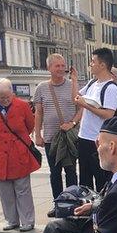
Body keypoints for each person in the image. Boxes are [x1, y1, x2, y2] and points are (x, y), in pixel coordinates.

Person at [0, 79, 39, 232]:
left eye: (7, 96)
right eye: (1, 97)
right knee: (4, 191)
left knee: (22, 189)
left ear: (12, 93)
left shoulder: (23, 106)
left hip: (19, 152)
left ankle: (28, 221)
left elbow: (29, 126)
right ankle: (11, 220)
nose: (5, 100)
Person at [72, 47, 117, 189]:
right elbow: (76, 99)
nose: (91, 64)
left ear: (102, 65)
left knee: (101, 179)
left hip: (98, 140)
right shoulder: (92, 83)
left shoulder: (111, 88)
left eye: (93, 61)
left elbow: (108, 114)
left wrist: (86, 106)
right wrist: (74, 80)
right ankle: (86, 207)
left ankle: (101, 209)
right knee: (84, 180)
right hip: (84, 138)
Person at [33, 54, 81, 204]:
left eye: (62, 65)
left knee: (71, 171)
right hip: (51, 138)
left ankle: (72, 202)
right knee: (55, 172)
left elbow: (81, 109)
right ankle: (58, 203)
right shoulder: (41, 88)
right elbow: (38, 112)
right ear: (49, 68)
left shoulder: (71, 85)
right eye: (57, 66)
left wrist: (72, 123)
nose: (61, 69)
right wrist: (37, 134)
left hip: (69, 136)